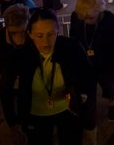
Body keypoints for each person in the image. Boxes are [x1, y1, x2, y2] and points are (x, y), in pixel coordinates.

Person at [13, 8, 95, 145]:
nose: (46, 42)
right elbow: (7, 87)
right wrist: (14, 123)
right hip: (36, 113)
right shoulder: (22, 55)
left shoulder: (71, 47)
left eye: (51, 34)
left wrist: (82, 95)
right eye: (39, 36)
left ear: (58, 31)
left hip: (68, 109)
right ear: (30, 34)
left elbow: (88, 74)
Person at [69, 0, 114, 123]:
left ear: (100, 11)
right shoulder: (76, 17)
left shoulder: (110, 20)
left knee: (109, 87)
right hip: (84, 62)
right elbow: (73, 37)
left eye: (91, 17)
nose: (88, 21)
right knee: (87, 90)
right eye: (85, 18)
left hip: (106, 63)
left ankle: (112, 103)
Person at [0, 4, 31, 131]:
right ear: (6, 27)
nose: (19, 37)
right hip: (7, 78)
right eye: (14, 33)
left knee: (26, 104)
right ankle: (14, 127)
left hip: (30, 76)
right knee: (7, 101)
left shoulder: (34, 34)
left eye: (22, 31)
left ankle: (25, 126)